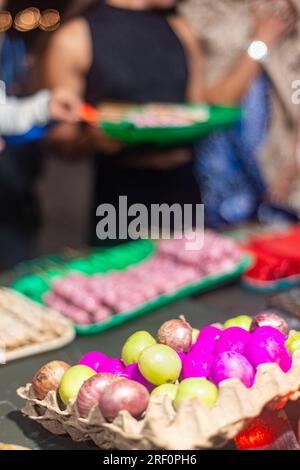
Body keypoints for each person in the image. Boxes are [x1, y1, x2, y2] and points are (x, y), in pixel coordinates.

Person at [180, 0, 300, 226]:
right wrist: (262, 42)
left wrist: (292, 162)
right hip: (223, 176)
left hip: (282, 175)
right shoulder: (202, 15)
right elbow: (218, 98)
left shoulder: (284, 12)